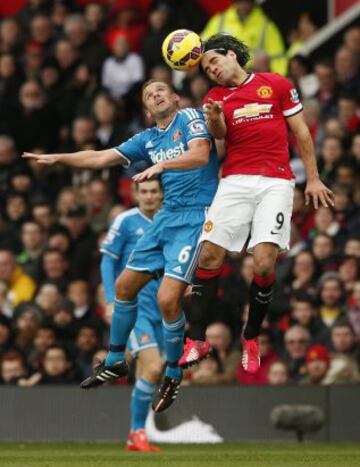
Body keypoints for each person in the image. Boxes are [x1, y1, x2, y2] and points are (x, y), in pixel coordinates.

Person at [23, 79, 218, 413]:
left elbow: (201, 155)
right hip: (166, 218)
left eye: (160, 90)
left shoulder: (190, 118)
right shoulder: (148, 138)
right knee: (124, 286)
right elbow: (101, 157)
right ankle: (115, 359)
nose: (155, 95)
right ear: (146, 110)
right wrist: (60, 158)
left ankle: (172, 374)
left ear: (174, 97)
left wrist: (161, 165)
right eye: (148, 95)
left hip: (195, 216)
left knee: (167, 298)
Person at [180, 34, 334, 373]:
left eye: (214, 62)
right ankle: (197, 339)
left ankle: (251, 336)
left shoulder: (275, 84)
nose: (213, 71)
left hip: (276, 182)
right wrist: (215, 116)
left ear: (232, 55)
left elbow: (302, 133)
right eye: (207, 69)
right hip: (234, 180)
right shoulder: (215, 97)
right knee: (208, 254)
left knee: (264, 264)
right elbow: (219, 135)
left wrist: (314, 177)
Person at [100, 179, 163, 452]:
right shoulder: (125, 221)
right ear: (136, 194)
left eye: (154, 191)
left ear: (162, 194)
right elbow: (107, 260)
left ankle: (134, 436)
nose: (149, 196)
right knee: (152, 367)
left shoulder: (170, 221)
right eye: (144, 191)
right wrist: (110, 300)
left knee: (150, 372)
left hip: (164, 310)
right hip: (134, 308)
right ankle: (138, 431)